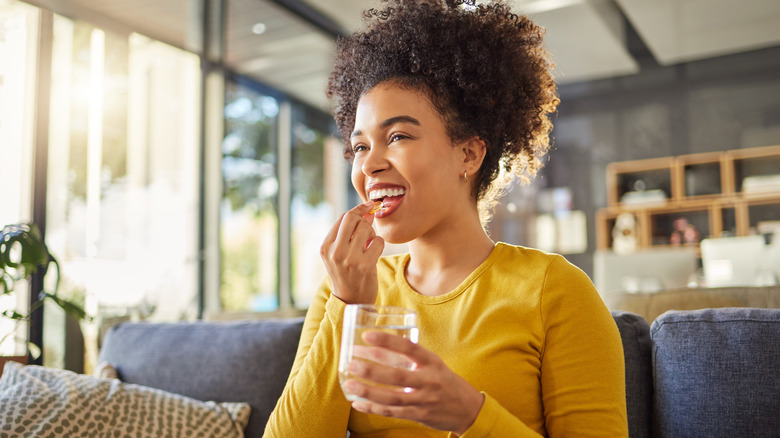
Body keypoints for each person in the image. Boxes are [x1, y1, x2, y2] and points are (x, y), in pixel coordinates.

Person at [264, 0, 628, 436]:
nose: (369, 164)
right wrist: (349, 308)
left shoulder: (554, 291)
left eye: (397, 136)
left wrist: (470, 415)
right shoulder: (344, 289)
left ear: (469, 154)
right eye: (360, 146)